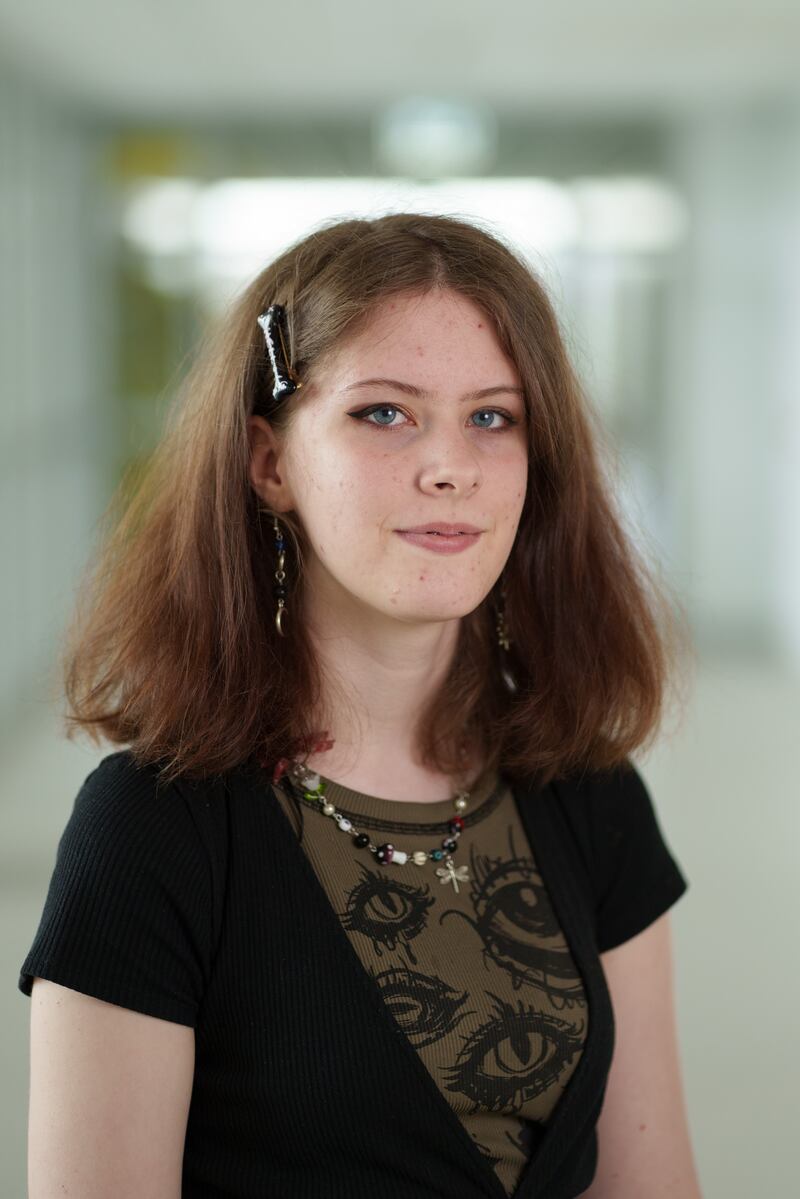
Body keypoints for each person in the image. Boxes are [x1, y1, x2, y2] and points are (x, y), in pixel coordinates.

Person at [19, 212, 702, 1198]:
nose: (449, 465)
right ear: (270, 462)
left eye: (492, 416)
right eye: (383, 412)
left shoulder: (589, 796)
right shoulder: (153, 829)